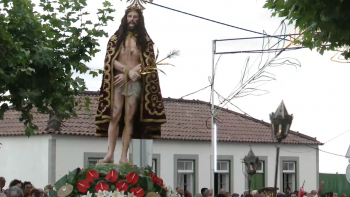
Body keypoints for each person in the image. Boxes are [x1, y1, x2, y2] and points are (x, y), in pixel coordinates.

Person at [95, 0, 166, 164]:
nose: (132, 19)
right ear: (125, 18)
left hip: (135, 81)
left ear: (139, 19)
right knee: (114, 115)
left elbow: (148, 63)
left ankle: (124, 156)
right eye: (130, 16)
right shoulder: (115, 38)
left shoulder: (145, 41)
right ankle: (109, 154)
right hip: (118, 81)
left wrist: (133, 72)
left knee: (129, 117)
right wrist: (127, 72)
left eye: (135, 16)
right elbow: (110, 60)